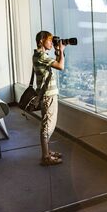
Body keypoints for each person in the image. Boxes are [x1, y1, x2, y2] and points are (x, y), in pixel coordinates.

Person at [33, 31, 65, 166]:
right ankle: (45, 157)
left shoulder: (40, 55)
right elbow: (60, 66)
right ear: (41, 41)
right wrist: (61, 51)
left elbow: (56, 63)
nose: (52, 43)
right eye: (50, 40)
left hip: (48, 94)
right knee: (47, 126)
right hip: (48, 95)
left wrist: (58, 51)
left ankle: (47, 152)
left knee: (48, 124)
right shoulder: (41, 56)